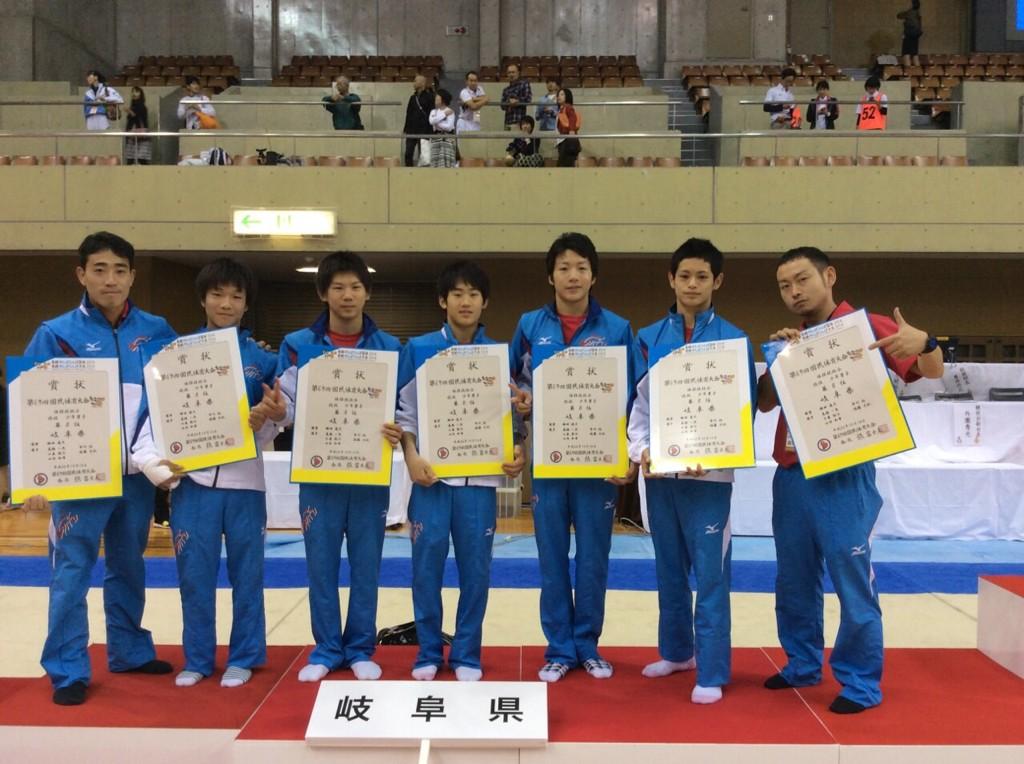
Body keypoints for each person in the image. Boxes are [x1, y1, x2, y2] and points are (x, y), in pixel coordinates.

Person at [757, 246, 944, 714]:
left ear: (830, 276)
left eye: (802, 279)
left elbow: (932, 371)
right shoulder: (791, 341)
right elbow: (764, 403)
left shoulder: (866, 327)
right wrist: (779, 358)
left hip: (845, 475)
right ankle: (802, 662)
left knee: (851, 576)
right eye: (784, 286)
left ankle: (860, 681)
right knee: (793, 578)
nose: (794, 292)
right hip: (793, 474)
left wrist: (926, 343)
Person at [23, 231, 176, 705]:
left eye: (120, 270)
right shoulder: (55, 333)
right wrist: (32, 476)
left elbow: (175, 393)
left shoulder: (157, 330)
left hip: (135, 476)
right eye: (100, 270)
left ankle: (129, 651)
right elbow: (29, 403)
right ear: (81, 274)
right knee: (72, 570)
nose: (110, 280)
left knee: (130, 565)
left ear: (132, 276)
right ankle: (67, 668)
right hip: (80, 476)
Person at [132, 258, 282, 689]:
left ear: (247, 304)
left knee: (247, 577)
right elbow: (150, 419)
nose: (226, 303)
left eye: (236, 296)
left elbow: (275, 421)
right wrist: (156, 467)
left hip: (246, 485)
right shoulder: (174, 355)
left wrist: (268, 419)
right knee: (194, 576)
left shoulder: (262, 360)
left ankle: (244, 656)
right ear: (203, 299)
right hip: (193, 485)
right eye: (218, 294)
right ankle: (197, 658)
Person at [627, 238, 756, 705]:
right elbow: (638, 405)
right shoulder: (647, 338)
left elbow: (742, 410)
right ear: (671, 279)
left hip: (709, 480)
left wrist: (716, 453)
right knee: (668, 568)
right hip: (661, 478)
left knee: (711, 573)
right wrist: (641, 450)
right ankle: (677, 652)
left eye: (702, 276)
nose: (693, 284)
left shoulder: (735, 340)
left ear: (717, 281)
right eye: (685, 276)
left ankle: (713, 669)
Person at [510, 232, 639, 683]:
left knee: (593, 558)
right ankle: (559, 648)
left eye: (581, 267)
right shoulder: (530, 325)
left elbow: (633, 396)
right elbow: (510, 384)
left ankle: (587, 645)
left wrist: (631, 454)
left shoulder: (617, 328)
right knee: (551, 557)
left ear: (593, 275)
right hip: (549, 463)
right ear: (551, 276)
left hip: (598, 464)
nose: (572, 276)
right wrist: (521, 409)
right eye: (563, 268)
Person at [275, 251, 403, 683]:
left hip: (368, 475)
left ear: (367, 293)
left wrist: (397, 429)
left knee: (367, 567)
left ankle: (361, 647)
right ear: (322, 293)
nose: (347, 295)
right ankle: (327, 648)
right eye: (338, 287)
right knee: (321, 566)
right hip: (320, 474)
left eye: (355, 287)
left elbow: (404, 410)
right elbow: (287, 407)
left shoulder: (390, 348)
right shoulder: (298, 345)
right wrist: (279, 411)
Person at [396, 261, 527, 681]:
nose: (465, 302)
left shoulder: (498, 355)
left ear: (485, 302)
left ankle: (467, 653)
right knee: (426, 570)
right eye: (457, 294)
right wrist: (411, 455)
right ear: (443, 301)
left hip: (479, 483)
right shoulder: (418, 349)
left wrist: (517, 449)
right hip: (431, 479)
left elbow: (512, 414)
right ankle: (428, 652)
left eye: (473, 294)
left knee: (476, 572)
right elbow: (404, 412)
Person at [403, 74, 435, 167]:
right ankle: (408, 170)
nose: (414, 83)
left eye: (415, 81)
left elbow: (431, 114)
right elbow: (408, 113)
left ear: (422, 83)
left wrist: (430, 130)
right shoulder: (413, 98)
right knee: (408, 153)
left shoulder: (430, 97)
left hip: (424, 130)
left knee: (424, 154)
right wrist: (406, 128)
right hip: (411, 130)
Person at [429, 89, 457, 168]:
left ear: (443, 99)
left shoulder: (450, 111)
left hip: (447, 139)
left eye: (437, 97)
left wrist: (436, 123)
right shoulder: (433, 111)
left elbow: (449, 127)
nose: (435, 99)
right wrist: (444, 114)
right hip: (435, 139)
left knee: (447, 163)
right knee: (435, 162)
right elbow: (431, 121)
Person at [124, 86, 152, 165]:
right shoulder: (132, 106)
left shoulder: (143, 106)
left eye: (136, 92)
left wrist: (129, 111)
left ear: (140, 94)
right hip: (131, 135)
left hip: (141, 136)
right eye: (132, 92)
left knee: (142, 159)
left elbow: (136, 115)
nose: (134, 94)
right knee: (130, 159)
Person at [555, 88, 582, 167]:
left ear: (567, 96)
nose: (559, 97)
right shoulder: (561, 109)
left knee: (564, 165)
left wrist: (571, 130)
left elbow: (572, 118)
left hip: (567, 140)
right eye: (558, 95)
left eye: (562, 94)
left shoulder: (568, 107)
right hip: (563, 140)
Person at [500, 63, 532, 130]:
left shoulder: (524, 84)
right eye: (509, 73)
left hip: (520, 122)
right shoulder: (505, 90)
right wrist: (508, 103)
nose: (511, 74)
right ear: (507, 74)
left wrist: (517, 101)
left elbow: (528, 99)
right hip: (508, 122)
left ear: (518, 73)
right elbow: (502, 106)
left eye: (513, 72)